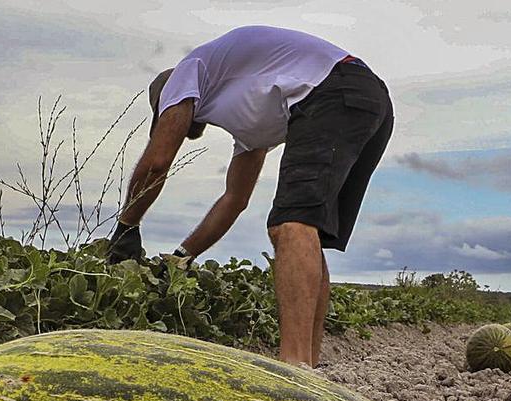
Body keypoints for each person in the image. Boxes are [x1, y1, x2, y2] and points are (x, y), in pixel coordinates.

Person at [106, 25, 393, 368]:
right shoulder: (250, 113)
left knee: (291, 225)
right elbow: (234, 199)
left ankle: (294, 368)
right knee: (308, 234)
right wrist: (183, 255)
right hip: (369, 100)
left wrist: (126, 226)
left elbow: (156, 163)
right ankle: (310, 367)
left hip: (333, 88)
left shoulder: (184, 74)